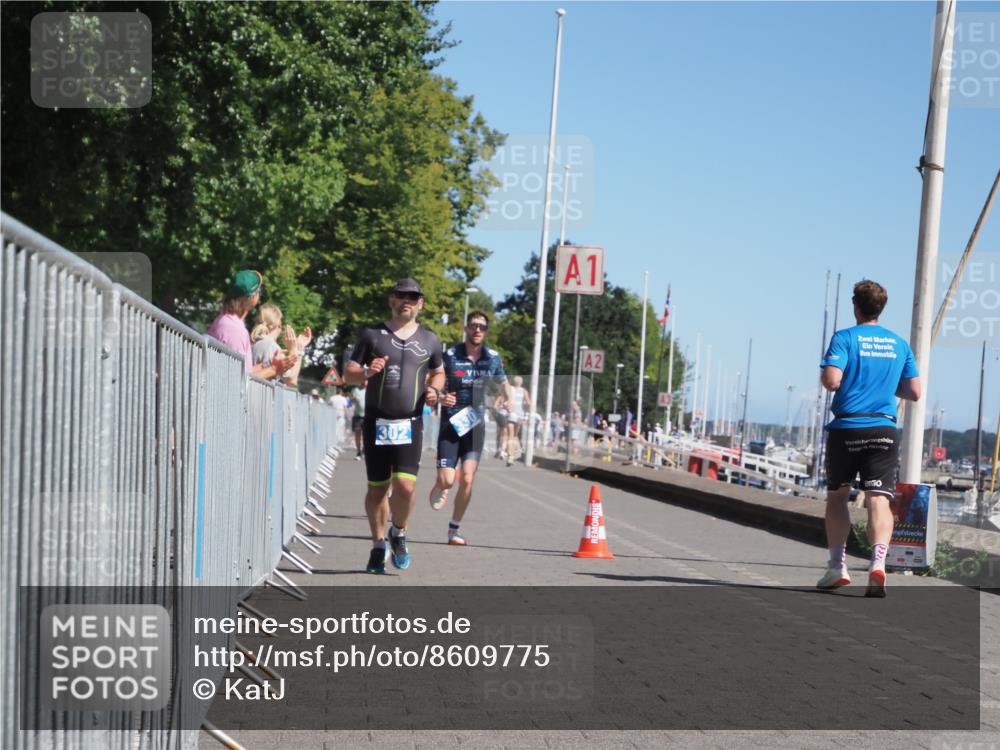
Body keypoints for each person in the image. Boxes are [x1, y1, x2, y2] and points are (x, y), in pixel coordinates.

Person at [816, 279, 920, 598]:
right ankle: (878, 563)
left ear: (856, 305)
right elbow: (914, 391)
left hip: (848, 427)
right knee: (878, 499)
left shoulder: (845, 338)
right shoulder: (899, 344)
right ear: (881, 308)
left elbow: (832, 381)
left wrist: (842, 377)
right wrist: (885, 387)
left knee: (838, 496)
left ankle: (837, 566)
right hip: (883, 429)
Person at [344, 279, 444, 575]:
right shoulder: (371, 334)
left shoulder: (430, 339)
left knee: (405, 486)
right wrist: (365, 371)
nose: (406, 301)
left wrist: (434, 390)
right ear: (392, 300)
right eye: (401, 296)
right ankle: (378, 546)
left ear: (420, 303)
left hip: (409, 423)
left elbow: (439, 373)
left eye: (413, 297)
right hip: (376, 422)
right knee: (377, 490)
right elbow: (348, 373)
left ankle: (398, 532)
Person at [426, 311, 513, 545]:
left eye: (482, 327)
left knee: (467, 478)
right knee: (448, 480)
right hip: (451, 424)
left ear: (486, 331)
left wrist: (509, 399)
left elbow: (504, 383)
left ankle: (454, 530)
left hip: (475, 425)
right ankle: (441, 484)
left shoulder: (492, 358)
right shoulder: (450, 355)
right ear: (466, 329)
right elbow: (431, 381)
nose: (477, 330)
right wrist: (440, 397)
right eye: (473, 325)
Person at [207, 269, 297, 380]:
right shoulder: (235, 330)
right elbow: (239, 380)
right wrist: (274, 369)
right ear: (253, 297)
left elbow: (244, 371)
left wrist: (267, 364)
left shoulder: (225, 320)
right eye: (258, 290)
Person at [503, 375, 531, 466]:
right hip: (520, 415)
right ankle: (512, 454)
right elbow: (529, 403)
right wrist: (524, 403)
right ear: (521, 383)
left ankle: (510, 456)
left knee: (510, 435)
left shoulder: (510, 389)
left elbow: (505, 401)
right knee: (515, 436)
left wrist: (506, 405)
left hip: (511, 413)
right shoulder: (524, 391)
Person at [351, 386, 366, 461]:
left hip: (368, 416)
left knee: (367, 435)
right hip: (358, 416)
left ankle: (364, 450)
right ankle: (358, 452)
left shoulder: (371, 389)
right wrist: (354, 399)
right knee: (358, 434)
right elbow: (353, 400)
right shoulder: (356, 389)